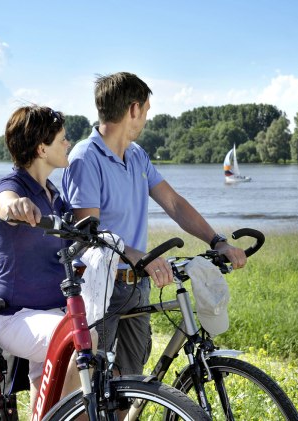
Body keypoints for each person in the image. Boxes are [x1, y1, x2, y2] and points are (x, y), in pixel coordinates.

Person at [62, 72, 247, 376]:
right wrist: (133, 253)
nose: (146, 118)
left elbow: (173, 203)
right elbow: (86, 230)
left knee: (129, 383)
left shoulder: (137, 156)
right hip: (99, 286)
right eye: (146, 111)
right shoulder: (85, 157)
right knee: (94, 389)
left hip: (136, 285)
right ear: (133, 109)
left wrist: (217, 241)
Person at [0, 104, 82, 408]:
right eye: (62, 139)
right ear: (42, 148)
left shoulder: (54, 196)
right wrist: (15, 208)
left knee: (47, 397)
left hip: (54, 313)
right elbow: (5, 203)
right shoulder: (12, 186)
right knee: (75, 343)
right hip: (17, 316)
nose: (68, 143)